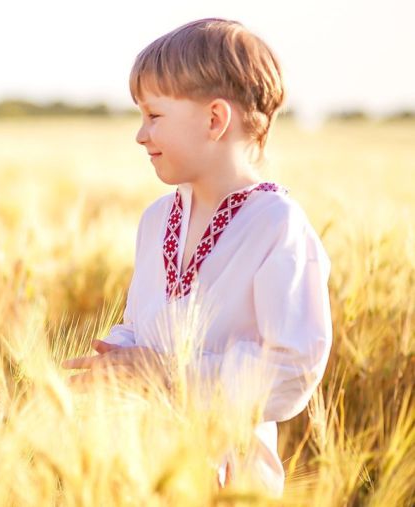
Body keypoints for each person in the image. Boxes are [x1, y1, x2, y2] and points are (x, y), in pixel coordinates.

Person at [63, 19, 331, 496]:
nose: (140, 135)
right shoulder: (156, 219)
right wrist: (115, 359)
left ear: (214, 120)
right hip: (144, 474)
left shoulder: (277, 225)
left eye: (154, 116)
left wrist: (167, 374)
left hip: (230, 487)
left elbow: (292, 371)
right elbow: (144, 325)